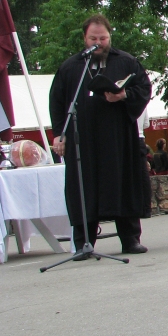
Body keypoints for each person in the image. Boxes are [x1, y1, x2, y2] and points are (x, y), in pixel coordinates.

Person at [49, 14, 152, 255]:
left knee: (122, 183)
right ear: (85, 38)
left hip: (118, 138)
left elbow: (144, 89)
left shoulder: (126, 61)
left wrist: (123, 95)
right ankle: (83, 243)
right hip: (82, 140)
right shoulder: (70, 67)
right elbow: (57, 101)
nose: (99, 42)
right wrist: (58, 134)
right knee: (83, 188)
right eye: (93, 38)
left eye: (103, 38)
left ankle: (130, 239)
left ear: (110, 36)